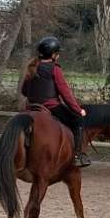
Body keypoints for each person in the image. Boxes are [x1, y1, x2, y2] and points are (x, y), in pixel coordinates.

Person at [19, 36, 90, 167]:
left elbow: (24, 91)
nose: (58, 55)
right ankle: (77, 156)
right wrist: (78, 110)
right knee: (78, 120)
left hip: (30, 108)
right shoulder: (54, 68)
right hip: (51, 107)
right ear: (53, 55)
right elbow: (65, 93)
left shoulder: (32, 67)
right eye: (57, 53)